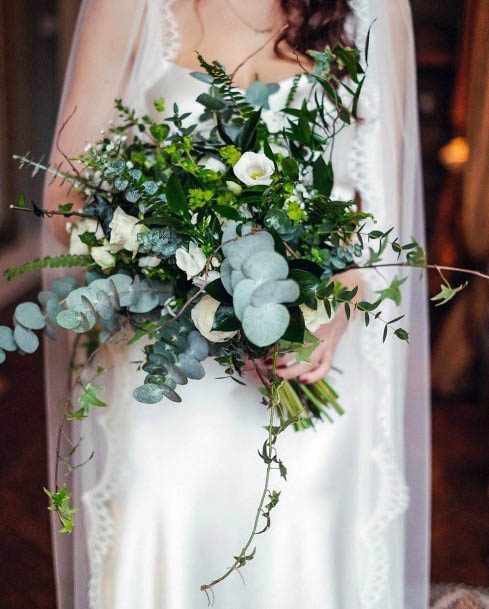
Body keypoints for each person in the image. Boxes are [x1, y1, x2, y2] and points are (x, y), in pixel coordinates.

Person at [43, 1, 430, 608]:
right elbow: (65, 191)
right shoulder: (129, 7)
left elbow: (379, 220)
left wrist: (330, 315)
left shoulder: (374, 9)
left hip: (311, 365)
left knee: (301, 544)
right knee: (159, 521)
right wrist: (176, 261)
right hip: (166, 370)